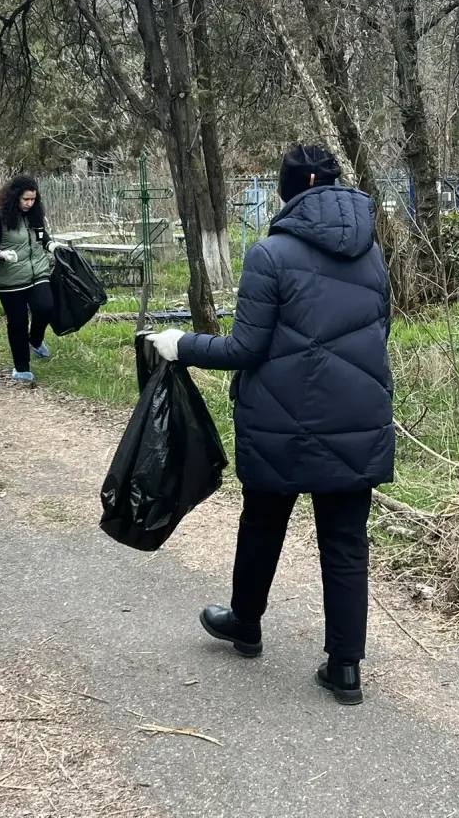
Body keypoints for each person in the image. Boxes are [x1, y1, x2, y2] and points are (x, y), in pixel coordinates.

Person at [147, 144, 394, 705]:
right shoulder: (372, 253)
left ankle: (246, 623)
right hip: (358, 417)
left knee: (262, 522)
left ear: (288, 192)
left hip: (277, 419)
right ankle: (345, 667)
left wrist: (179, 345)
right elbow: (379, 333)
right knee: (346, 542)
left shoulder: (270, 254)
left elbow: (244, 347)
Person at [0, 173, 67, 383]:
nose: (30, 203)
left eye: (33, 199)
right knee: (17, 322)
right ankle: (21, 368)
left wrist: (50, 245)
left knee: (45, 307)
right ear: (14, 197)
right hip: (10, 279)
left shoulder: (34, 214)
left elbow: (40, 234)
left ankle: (35, 340)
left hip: (38, 270)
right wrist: (0, 255)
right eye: (25, 199)